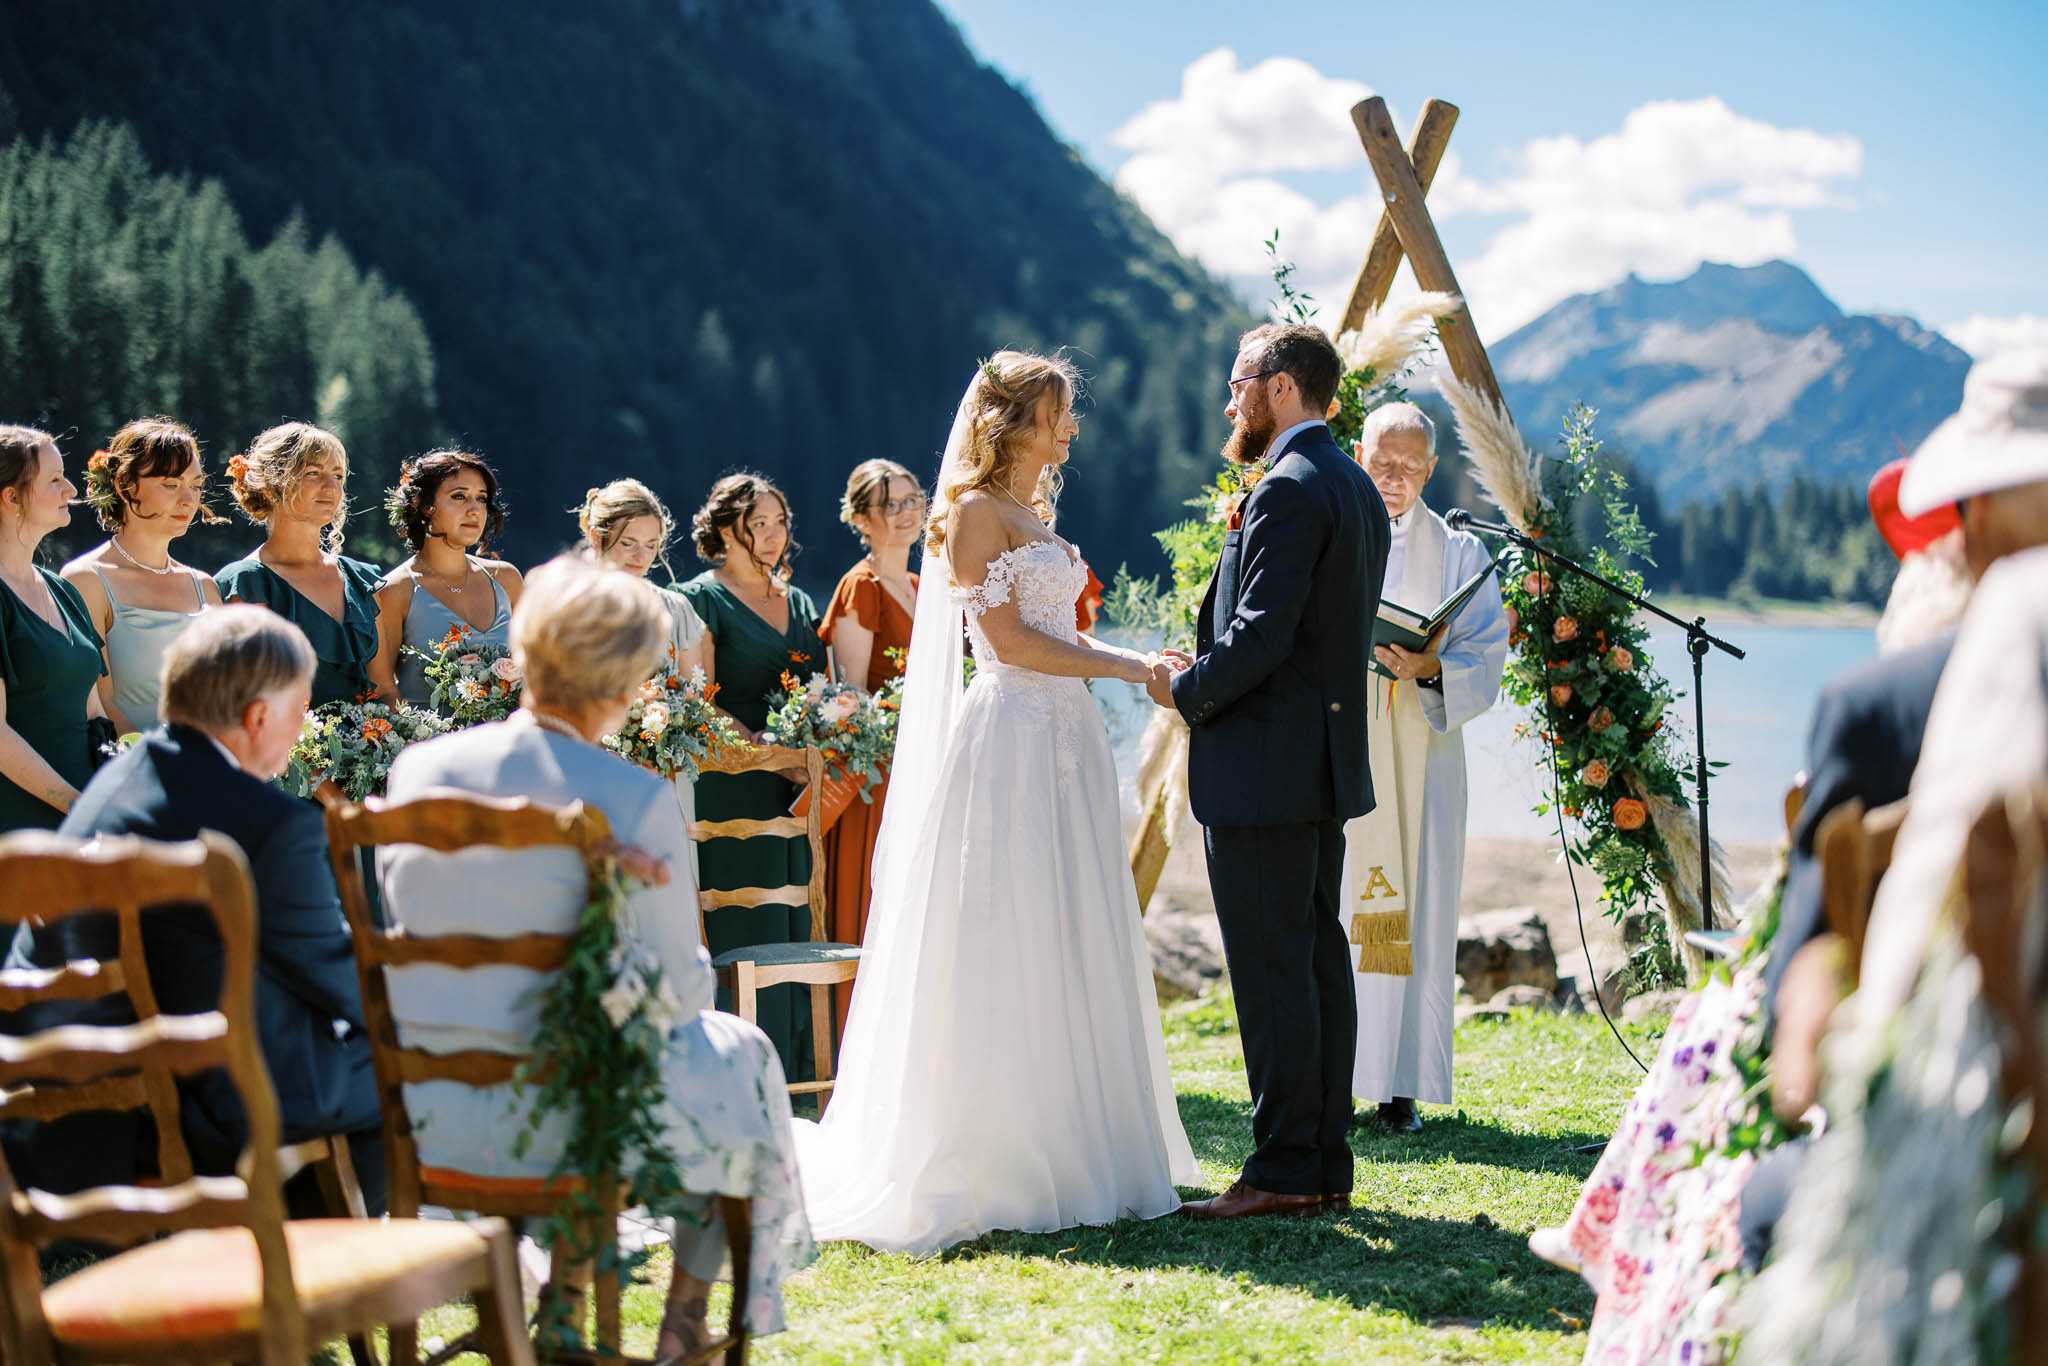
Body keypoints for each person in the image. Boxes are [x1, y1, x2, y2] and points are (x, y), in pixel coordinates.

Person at [794, 350, 1196, 1254]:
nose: (1071, 428)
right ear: (1012, 423)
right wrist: (1129, 666)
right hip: (1013, 734)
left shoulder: (1032, 514)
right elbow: (1010, 643)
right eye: (1058, 413)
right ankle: (999, 1150)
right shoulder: (974, 512)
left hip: (1066, 733)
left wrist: (1136, 661)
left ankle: (1080, 1134)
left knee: (1068, 919)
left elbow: (1055, 630)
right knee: (1005, 922)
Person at [380, 555, 812, 1356]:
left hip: (431, 1110)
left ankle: (570, 1293)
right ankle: (686, 1314)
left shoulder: (416, 771)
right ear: (625, 681)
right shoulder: (627, 796)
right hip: (566, 1120)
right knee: (742, 1053)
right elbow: (682, 993)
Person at [3, 606, 385, 1210]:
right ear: (258, 716)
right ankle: (345, 1266)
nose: (304, 726)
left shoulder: (118, 778)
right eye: (300, 709)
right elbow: (343, 982)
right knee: (397, 1060)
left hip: (63, 1116)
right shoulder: (272, 826)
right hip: (187, 1112)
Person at [1145, 323, 1387, 1220]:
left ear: (1282, 387)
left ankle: (1285, 1168)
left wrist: (1183, 689)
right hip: (1315, 767)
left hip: (1265, 768)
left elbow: (1262, 636)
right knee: (1316, 959)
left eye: (1240, 381)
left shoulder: (1288, 487)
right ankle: (1323, 1160)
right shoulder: (1352, 484)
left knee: (1275, 967)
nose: (1229, 399)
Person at [1343, 401, 1507, 1135]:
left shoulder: (1462, 555)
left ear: (1432, 470)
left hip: (1427, 752)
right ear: (1358, 451)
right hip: (1348, 743)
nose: (1394, 478)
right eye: (1382, 461)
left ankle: (1399, 1083)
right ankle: (1337, 1073)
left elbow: (1486, 657)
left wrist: (1430, 662)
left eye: (1410, 466)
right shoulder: (1333, 531)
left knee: (1419, 901)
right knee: (1349, 903)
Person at [678, 474, 826, 1084]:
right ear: (723, 529)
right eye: (756, 523)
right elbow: (698, 700)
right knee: (742, 923)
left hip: (797, 790)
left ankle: (794, 1074)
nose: (771, 535)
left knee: (795, 921)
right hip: (732, 780)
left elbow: (819, 689)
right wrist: (767, 750)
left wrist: (816, 746)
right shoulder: (699, 600)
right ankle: (738, 1074)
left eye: (779, 522)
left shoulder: (800, 603)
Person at [817, 458, 921, 1032]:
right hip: (874, 774)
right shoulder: (860, 587)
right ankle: (857, 1035)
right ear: (862, 518)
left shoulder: (918, 586)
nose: (906, 513)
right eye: (891, 504)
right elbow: (852, 695)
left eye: (912, 500)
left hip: (919, 768)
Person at [61, 417, 225, 733]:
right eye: (171, 484)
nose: (188, 500)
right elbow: (98, 703)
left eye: (196, 485)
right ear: (125, 485)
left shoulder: (204, 586)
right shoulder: (86, 581)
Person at [214, 422, 383, 707]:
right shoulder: (247, 584)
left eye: (338, 475)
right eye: (313, 473)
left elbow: (385, 689)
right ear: (271, 485)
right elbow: (247, 698)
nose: (331, 487)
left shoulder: (360, 580)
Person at [0, 426, 109, 833]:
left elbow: (93, 711)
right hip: (19, 827)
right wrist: (75, 805)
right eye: (54, 479)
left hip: (83, 823)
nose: (70, 489)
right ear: (11, 497)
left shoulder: (63, 590)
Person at [369, 449, 523, 707]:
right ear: (424, 505)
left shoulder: (507, 578)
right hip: (428, 744)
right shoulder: (393, 591)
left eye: (481, 499)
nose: (475, 510)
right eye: (459, 496)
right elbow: (382, 689)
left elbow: (539, 670)